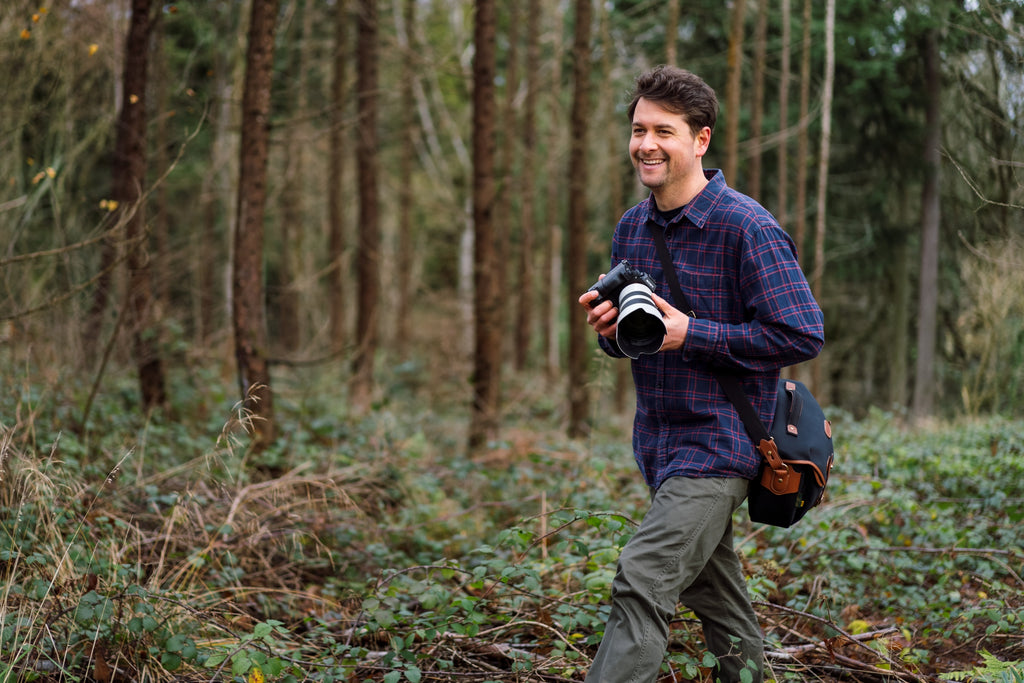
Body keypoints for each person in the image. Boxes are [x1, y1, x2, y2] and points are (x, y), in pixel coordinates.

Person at [577, 66, 824, 683]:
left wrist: (696, 332)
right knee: (719, 600)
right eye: (638, 130)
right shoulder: (632, 228)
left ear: (700, 140)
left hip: (721, 445)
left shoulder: (747, 227)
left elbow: (801, 333)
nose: (646, 144)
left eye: (664, 130)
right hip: (660, 444)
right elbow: (641, 342)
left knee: (642, 577)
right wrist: (613, 335)